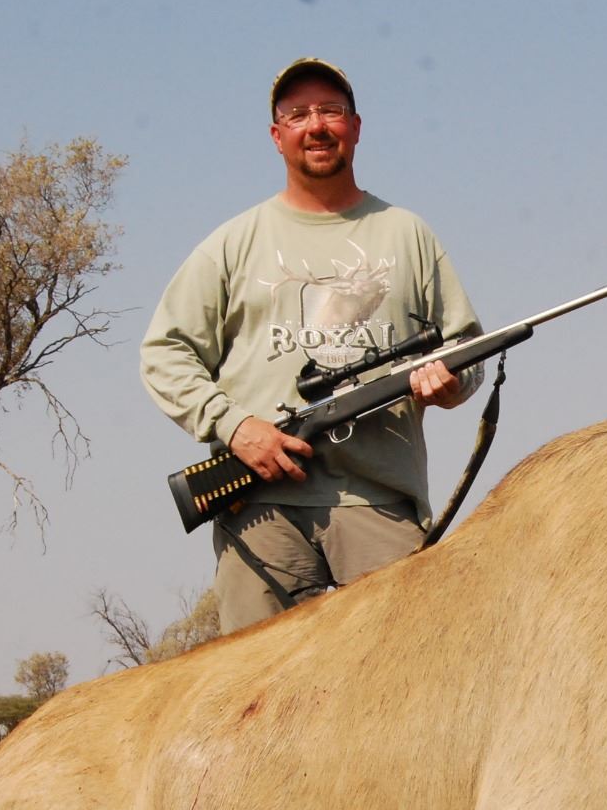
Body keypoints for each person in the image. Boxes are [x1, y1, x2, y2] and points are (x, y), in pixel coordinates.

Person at [142, 57, 482, 632]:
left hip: (378, 500)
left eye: (331, 110)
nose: (316, 125)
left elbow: (468, 350)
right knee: (255, 680)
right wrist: (234, 426)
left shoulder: (408, 233)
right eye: (298, 115)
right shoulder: (232, 243)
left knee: (408, 666)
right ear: (277, 136)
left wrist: (448, 385)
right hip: (260, 507)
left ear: (356, 126)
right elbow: (164, 352)